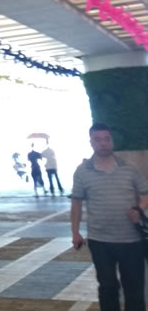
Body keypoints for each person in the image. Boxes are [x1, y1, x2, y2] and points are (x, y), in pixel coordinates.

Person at [70, 123, 148, 311]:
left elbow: (145, 194)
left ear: (112, 141)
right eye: (98, 139)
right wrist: (75, 232)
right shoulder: (82, 171)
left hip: (131, 240)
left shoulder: (129, 168)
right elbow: (76, 203)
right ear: (91, 142)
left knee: (134, 287)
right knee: (107, 286)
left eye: (107, 139)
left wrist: (139, 209)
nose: (103, 143)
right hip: (100, 240)